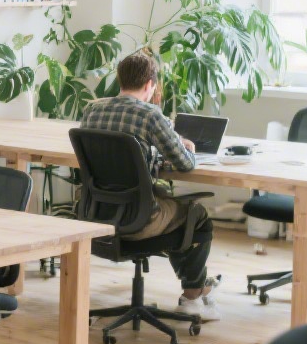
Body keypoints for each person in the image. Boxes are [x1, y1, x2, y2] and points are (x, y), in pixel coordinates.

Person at [78, 49, 220, 321]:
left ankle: (201, 286)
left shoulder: (91, 110)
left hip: (96, 212)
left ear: (120, 80)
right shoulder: (151, 116)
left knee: (170, 203)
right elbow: (185, 164)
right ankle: (193, 297)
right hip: (139, 219)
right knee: (195, 215)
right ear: (150, 85)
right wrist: (183, 143)